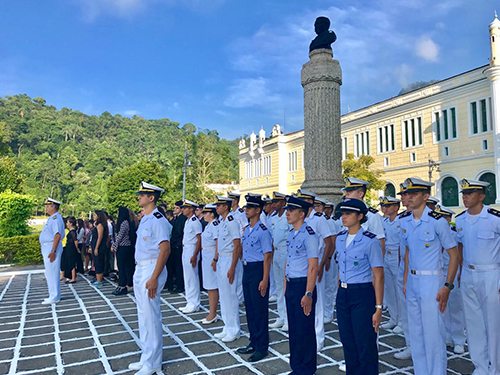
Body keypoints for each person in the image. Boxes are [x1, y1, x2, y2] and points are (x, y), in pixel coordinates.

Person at [401, 177, 459, 375]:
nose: (408, 197)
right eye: (407, 193)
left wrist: (447, 286)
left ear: (426, 196)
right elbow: (408, 253)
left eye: (413, 194)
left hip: (432, 281)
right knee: (416, 332)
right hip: (413, 281)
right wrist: (406, 281)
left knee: (433, 333)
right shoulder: (406, 222)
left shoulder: (438, 222)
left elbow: (454, 255)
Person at [455, 178, 500, 375]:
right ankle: (480, 366)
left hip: (491, 273)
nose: (465, 197)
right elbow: (460, 248)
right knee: (473, 323)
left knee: (493, 323)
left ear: (481, 196)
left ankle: (495, 367)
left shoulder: (494, 218)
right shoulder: (461, 219)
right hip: (467, 274)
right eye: (464, 194)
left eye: (470, 193)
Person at [336, 198, 384, 374]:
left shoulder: (370, 241)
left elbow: (378, 275)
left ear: (360, 216)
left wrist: (378, 307)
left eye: (348, 214)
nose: (344, 217)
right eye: (343, 213)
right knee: (347, 340)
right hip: (343, 293)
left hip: (362, 293)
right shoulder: (340, 238)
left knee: (364, 342)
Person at [128, 182, 172, 375]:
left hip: (152, 269)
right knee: (143, 316)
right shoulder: (145, 219)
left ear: (151, 197)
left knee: (151, 317)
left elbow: (165, 249)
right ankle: (146, 356)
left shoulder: (157, 219)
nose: (139, 196)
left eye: (142, 194)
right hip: (141, 269)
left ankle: (153, 363)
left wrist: (154, 277)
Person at [283, 195, 319, 375]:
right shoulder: (291, 233)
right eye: (287, 210)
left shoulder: (309, 234)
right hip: (292, 285)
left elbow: (313, 266)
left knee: (305, 329)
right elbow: (288, 261)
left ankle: (307, 368)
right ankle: (296, 366)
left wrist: (309, 293)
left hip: (304, 286)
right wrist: (285, 285)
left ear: (302, 214)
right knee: (294, 329)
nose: (287, 213)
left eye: (291, 210)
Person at [296, 189, 334, 352]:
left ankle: (318, 338)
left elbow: (330, 242)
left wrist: (323, 262)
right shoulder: (301, 220)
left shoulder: (318, 219)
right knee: (304, 300)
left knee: (316, 303)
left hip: (315, 264)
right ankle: (306, 335)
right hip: (301, 266)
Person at [237, 194, 273, 362]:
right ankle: (253, 341)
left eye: (250, 208)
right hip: (247, 269)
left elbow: (267, 256)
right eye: (246, 207)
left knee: (259, 310)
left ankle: (262, 347)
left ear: (258, 210)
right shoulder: (247, 229)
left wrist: (265, 279)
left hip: (258, 270)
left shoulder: (263, 231)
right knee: (250, 308)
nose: (246, 210)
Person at [434, 205, 466, 355]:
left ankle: (459, 339)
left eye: (443, 217)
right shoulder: (435, 232)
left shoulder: (454, 234)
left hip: (452, 272)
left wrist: (461, 272)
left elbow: (459, 254)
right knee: (442, 306)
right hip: (438, 273)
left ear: (448, 218)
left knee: (455, 307)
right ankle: (446, 336)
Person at [212, 195, 242, 342]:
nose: (216, 208)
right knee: (223, 297)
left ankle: (234, 329)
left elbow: (237, 245)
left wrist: (232, 267)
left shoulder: (232, 222)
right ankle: (227, 325)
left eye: (219, 205)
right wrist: (216, 258)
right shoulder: (221, 222)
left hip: (230, 259)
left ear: (225, 206)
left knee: (230, 296)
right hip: (222, 259)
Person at [393, 183, 412, 360]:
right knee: (406, 310)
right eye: (404, 194)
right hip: (403, 268)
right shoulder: (402, 219)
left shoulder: (434, 220)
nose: (404, 198)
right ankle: (410, 345)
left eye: (408, 194)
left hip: (425, 272)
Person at [379, 196, 402, 331]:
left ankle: (402, 322)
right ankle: (394, 318)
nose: (385, 208)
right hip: (386, 254)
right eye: (384, 206)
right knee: (389, 289)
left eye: (388, 206)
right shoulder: (384, 221)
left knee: (399, 290)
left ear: (396, 207)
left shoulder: (401, 221)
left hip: (397, 255)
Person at [268, 192, 290, 330]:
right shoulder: (273, 218)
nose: (274, 205)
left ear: (283, 202)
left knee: (286, 287)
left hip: (286, 252)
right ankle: (281, 316)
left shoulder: (288, 216)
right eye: (273, 202)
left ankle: (288, 319)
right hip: (276, 252)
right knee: (278, 286)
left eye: (277, 202)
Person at [39, 198, 65, 304]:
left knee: (53, 272)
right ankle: (52, 294)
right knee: (49, 272)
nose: (46, 207)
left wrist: (53, 251)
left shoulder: (55, 219)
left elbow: (57, 235)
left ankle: (54, 296)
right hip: (48, 247)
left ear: (53, 206)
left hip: (51, 247)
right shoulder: (52, 218)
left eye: (48, 205)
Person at [180, 200, 202, 313]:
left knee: (192, 277)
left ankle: (194, 303)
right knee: (187, 277)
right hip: (186, 248)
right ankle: (189, 301)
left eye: (185, 207)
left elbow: (199, 239)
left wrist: (195, 255)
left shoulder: (195, 222)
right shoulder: (188, 221)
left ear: (191, 209)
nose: (183, 209)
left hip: (192, 249)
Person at [200, 204, 220, 325]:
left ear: (212, 214)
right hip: (206, 257)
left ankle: (213, 313)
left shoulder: (215, 225)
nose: (203, 215)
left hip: (212, 257)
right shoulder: (209, 225)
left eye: (206, 213)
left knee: (212, 286)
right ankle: (211, 312)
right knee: (209, 285)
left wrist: (215, 258)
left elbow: (218, 241)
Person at [112, 206, 137, 296]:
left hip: (124, 247)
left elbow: (120, 236)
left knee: (123, 267)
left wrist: (114, 246)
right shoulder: (122, 222)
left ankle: (123, 285)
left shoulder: (125, 223)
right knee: (122, 266)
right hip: (122, 246)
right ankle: (124, 283)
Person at [165, 201, 186, 293]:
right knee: (174, 267)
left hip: (178, 246)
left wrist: (177, 244)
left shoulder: (183, 219)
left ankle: (180, 286)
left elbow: (180, 233)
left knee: (179, 267)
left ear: (181, 209)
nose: (174, 210)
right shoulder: (176, 219)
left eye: (177, 208)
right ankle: (175, 284)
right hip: (174, 245)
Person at [92, 210, 109, 288]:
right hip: (95, 244)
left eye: (95, 215)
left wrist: (96, 247)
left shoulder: (100, 225)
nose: (93, 216)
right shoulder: (97, 224)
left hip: (99, 245)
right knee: (96, 261)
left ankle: (99, 281)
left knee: (99, 262)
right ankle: (97, 278)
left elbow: (100, 237)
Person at [62, 216, 79, 283]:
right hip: (68, 248)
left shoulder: (72, 232)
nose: (66, 224)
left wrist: (76, 249)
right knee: (69, 262)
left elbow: (75, 241)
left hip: (71, 249)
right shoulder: (70, 231)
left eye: (68, 222)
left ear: (71, 223)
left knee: (72, 263)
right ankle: (70, 276)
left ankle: (73, 277)